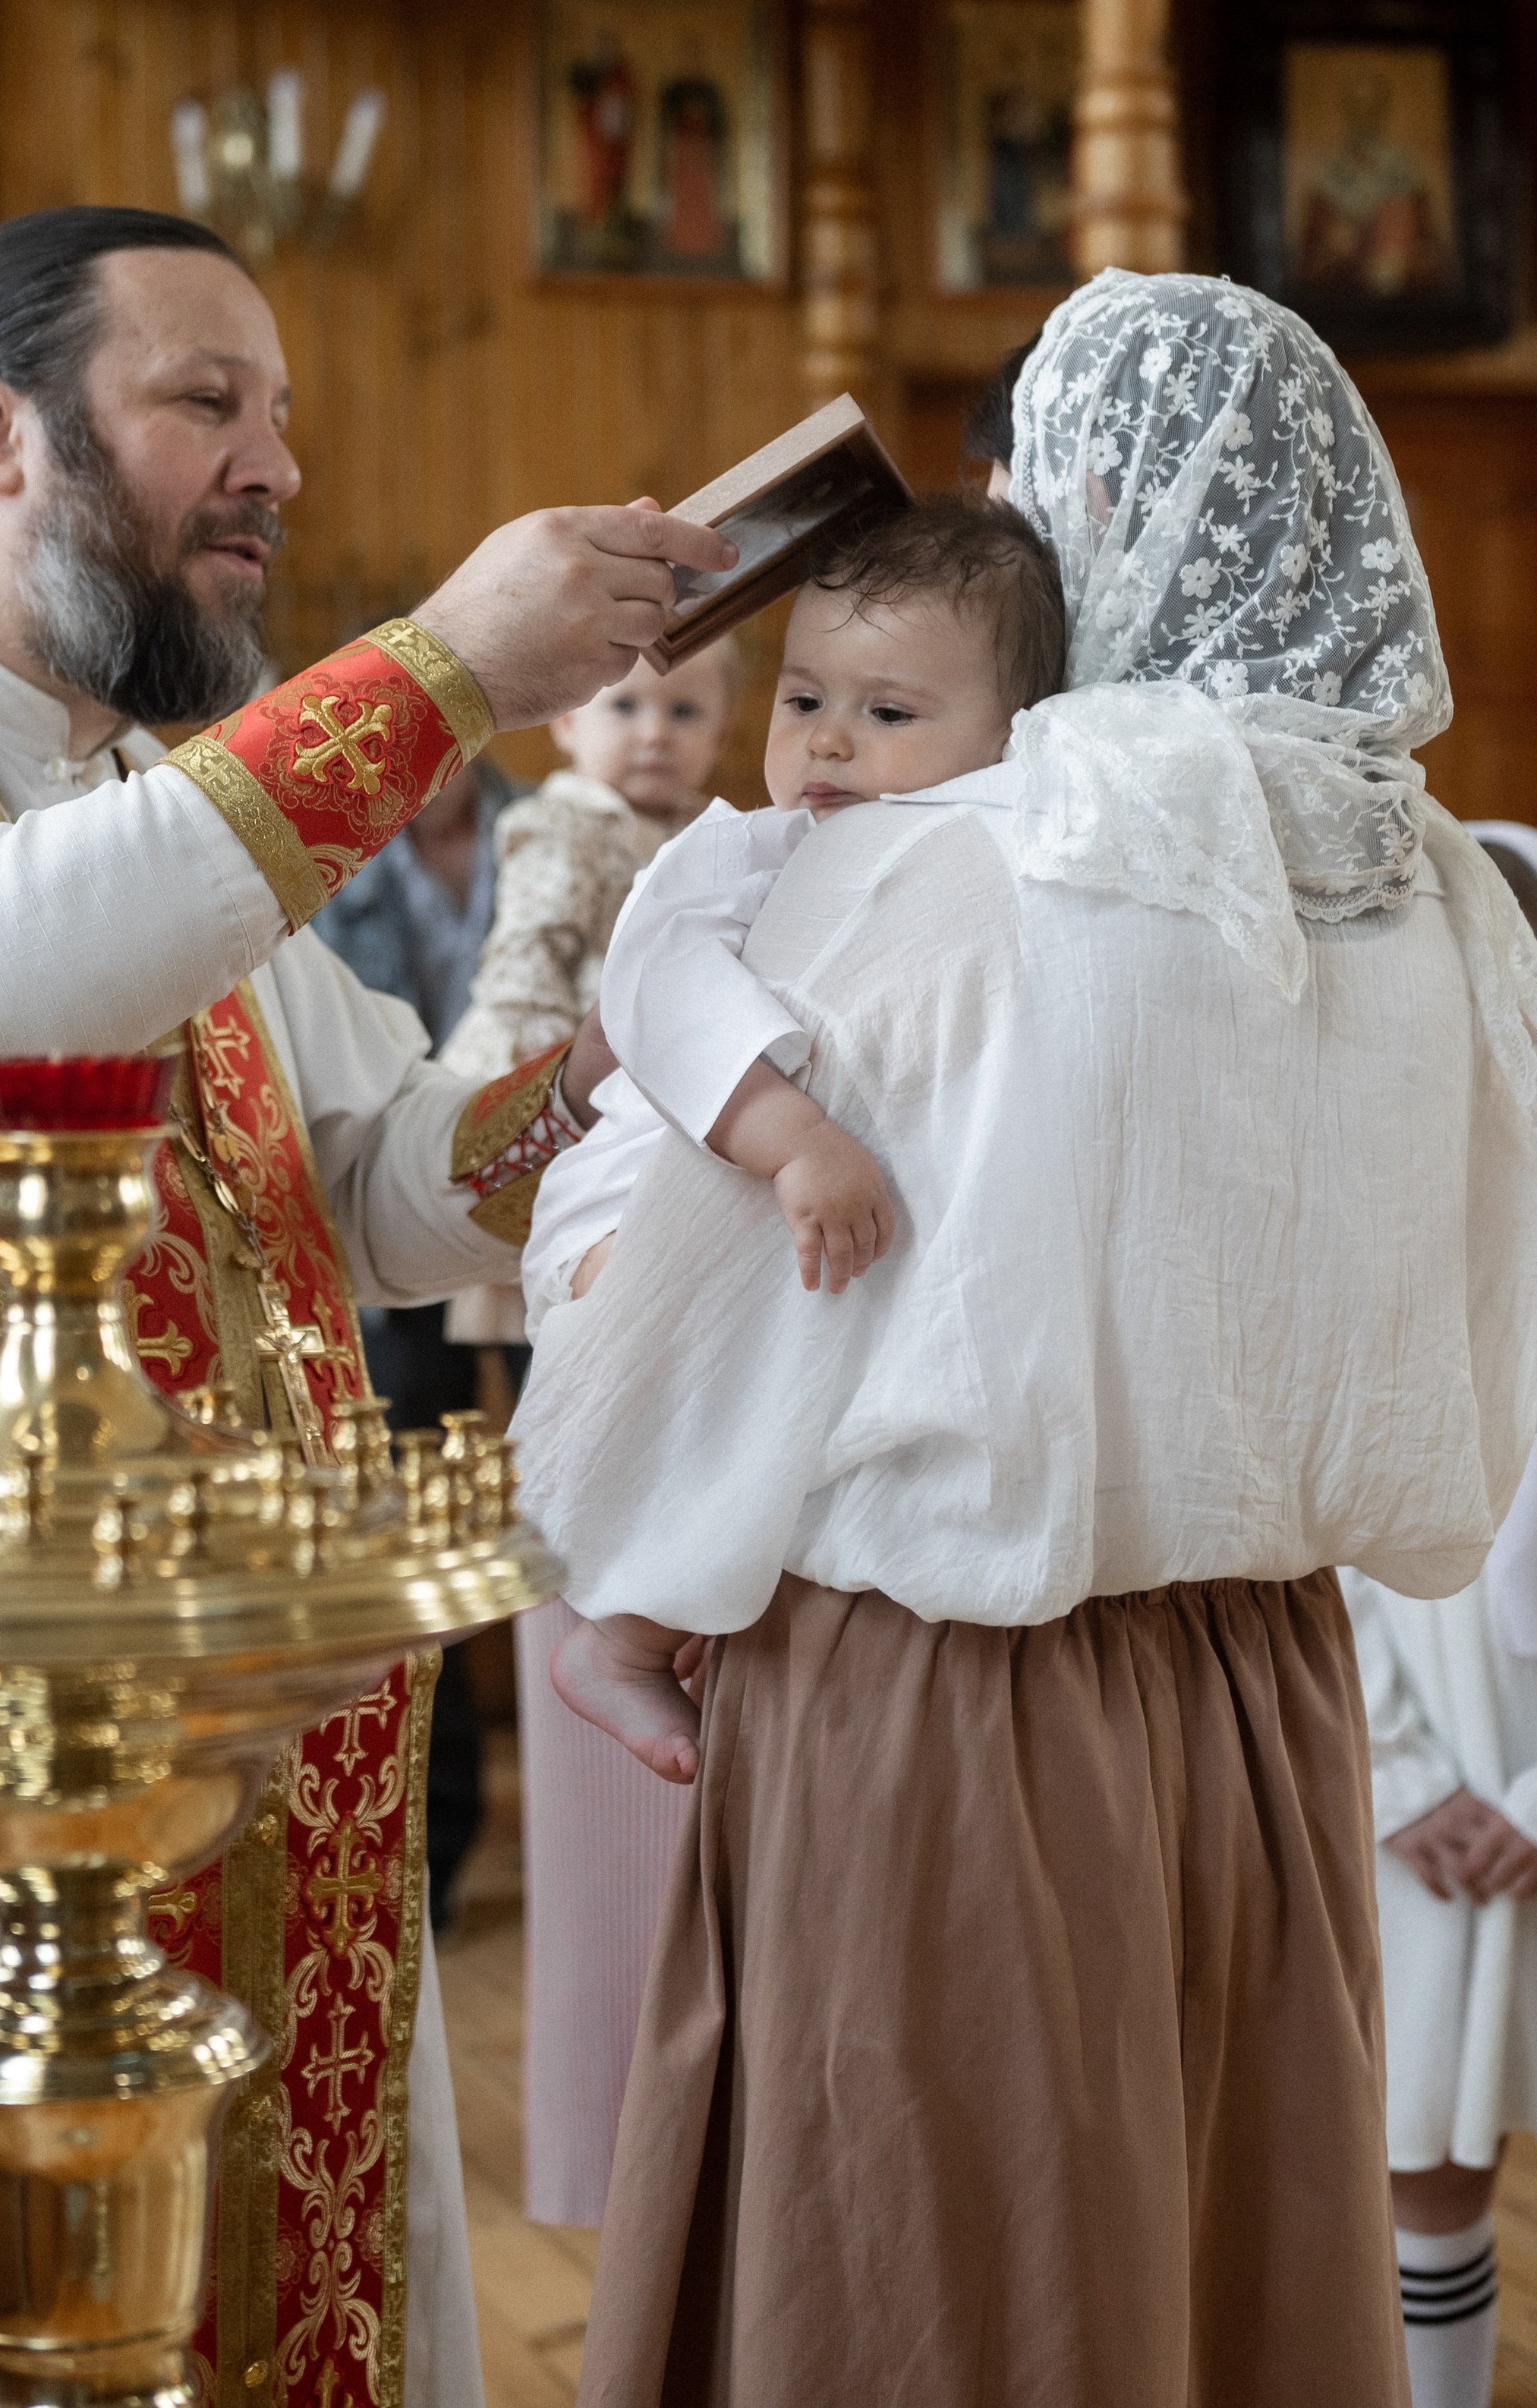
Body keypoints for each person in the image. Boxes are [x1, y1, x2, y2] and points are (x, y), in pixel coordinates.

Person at [0, 203, 733, 2408]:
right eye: (207, 400)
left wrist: (625, 1070)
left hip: (229, 1758)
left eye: (281, 412)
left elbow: (370, 1176)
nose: (275, 466)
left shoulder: (137, 794)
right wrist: (429, 681)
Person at [512, 269, 1537, 2408]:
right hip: (1263, 1692)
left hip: (946, 1703)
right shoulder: (1440, 889)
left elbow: (678, 1345)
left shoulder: (959, 870)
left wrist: (604, 1474)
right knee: (1206, 2285)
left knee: (940, 2302)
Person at [531, 496, 1066, 1782]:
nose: (827, 740)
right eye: (805, 700)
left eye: (889, 714)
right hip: (634, 1193)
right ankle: (618, 1636)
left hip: (779, 1205)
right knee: (716, 1367)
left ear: (1012, 741)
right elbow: (658, 999)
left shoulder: (978, 872)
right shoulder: (741, 856)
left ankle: (658, 1619)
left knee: (785, 1410)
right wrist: (794, 1142)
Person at [440, 638, 739, 2229]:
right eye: (625, 705)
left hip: (667, 1186)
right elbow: (517, 996)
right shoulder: (561, 833)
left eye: (687, 708)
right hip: (576, 1187)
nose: (654, 734)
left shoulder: (712, 838)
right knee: (583, 1470)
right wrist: (522, 1142)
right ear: (565, 723)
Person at [1342, 814, 1537, 2408]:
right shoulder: (1341, 1224)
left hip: (1525, 1770)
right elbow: (1287, 1530)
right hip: (1416, 1762)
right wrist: (1403, 1776)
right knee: (1425, 2141)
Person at [313, 749, 521, 1928]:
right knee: (410, 1536)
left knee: (581, 1491)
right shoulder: (328, 858)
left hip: (532, 1195)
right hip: (394, 1224)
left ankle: (604, 1814)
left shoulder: (550, 824)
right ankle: (429, 1848)